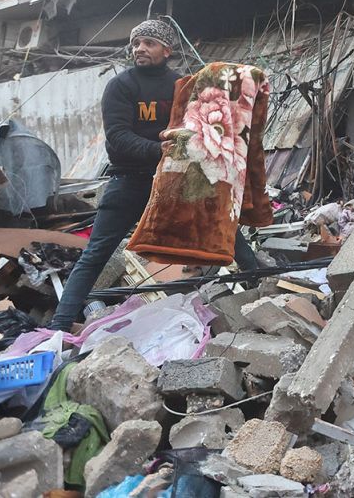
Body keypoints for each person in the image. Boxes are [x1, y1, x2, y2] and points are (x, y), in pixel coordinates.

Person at [48, 19, 258, 330]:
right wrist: (156, 149)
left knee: (225, 226)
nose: (140, 49)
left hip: (176, 178)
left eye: (148, 43)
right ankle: (59, 326)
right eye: (136, 44)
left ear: (166, 49)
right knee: (96, 252)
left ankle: (260, 292)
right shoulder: (121, 86)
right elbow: (117, 137)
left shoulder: (184, 87)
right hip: (130, 179)